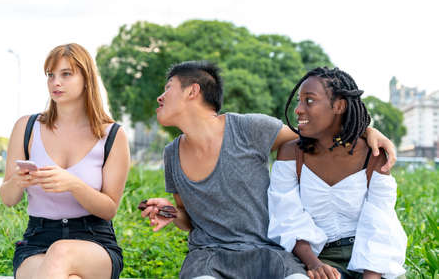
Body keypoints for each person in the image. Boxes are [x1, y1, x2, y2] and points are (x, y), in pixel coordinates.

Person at [140, 61, 397, 279]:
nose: (160, 97)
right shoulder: (171, 155)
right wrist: (172, 213)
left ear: (192, 91)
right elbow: (188, 218)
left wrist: (366, 130)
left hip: (267, 253)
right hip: (209, 257)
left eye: (168, 88)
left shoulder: (249, 129)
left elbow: (315, 131)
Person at [0, 43, 130, 279]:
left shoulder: (112, 135)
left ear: (87, 78)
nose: (55, 82)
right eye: (51, 75)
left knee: (61, 252)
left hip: (94, 241)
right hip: (37, 241)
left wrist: (73, 184)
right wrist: (18, 181)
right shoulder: (26, 127)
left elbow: (109, 209)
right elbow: (8, 199)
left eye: (66, 74)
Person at [268, 67, 406, 279]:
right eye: (299, 101)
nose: (298, 109)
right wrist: (315, 265)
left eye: (310, 101)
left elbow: (381, 223)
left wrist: (370, 277)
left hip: (369, 259)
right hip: (315, 256)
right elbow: (287, 218)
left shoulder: (373, 155)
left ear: (339, 106)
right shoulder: (290, 153)